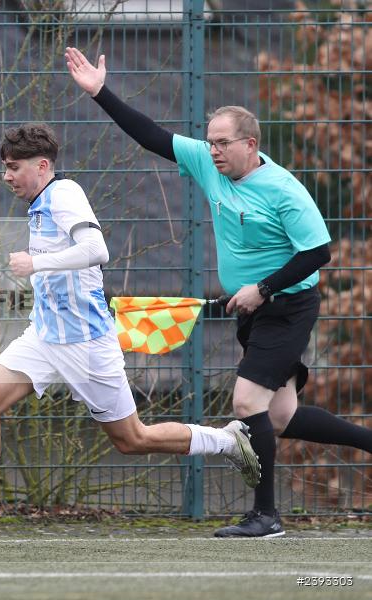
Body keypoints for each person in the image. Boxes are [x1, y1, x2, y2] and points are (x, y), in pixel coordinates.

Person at [65, 47, 372, 537]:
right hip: (254, 309)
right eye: (210, 143)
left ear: (250, 145)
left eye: (223, 144)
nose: (213, 151)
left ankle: (266, 517)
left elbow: (318, 254)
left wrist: (263, 288)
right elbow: (152, 136)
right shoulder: (210, 166)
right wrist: (100, 91)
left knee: (247, 404)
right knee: (282, 416)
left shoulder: (284, 190)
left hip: (288, 305)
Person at [0, 123, 260, 529]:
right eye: (5, 168)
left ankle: (227, 440)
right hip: (44, 337)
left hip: (86, 344)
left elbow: (96, 249)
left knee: (131, 439)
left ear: (43, 165)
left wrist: (37, 263)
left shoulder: (64, 195)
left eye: (14, 167)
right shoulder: (42, 201)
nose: (7, 176)